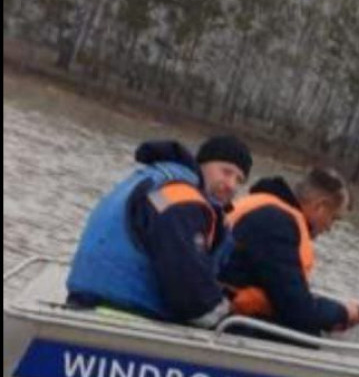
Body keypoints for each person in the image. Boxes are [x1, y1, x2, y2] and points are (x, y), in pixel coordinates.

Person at [66, 135, 253, 327]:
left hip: (88, 306)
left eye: (239, 180)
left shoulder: (154, 180)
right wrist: (226, 318)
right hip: (126, 318)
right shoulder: (180, 197)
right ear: (203, 164)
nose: (231, 185)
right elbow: (188, 287)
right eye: (226, 172)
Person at [219, 167, 359, 335]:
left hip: (222, 302)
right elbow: (297, 308)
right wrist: (343, 313)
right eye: (334, 218)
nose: (330, 228)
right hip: (226, 317)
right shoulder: (277, 224)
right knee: (309, 335)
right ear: (321, 207)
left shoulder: (265, 206)